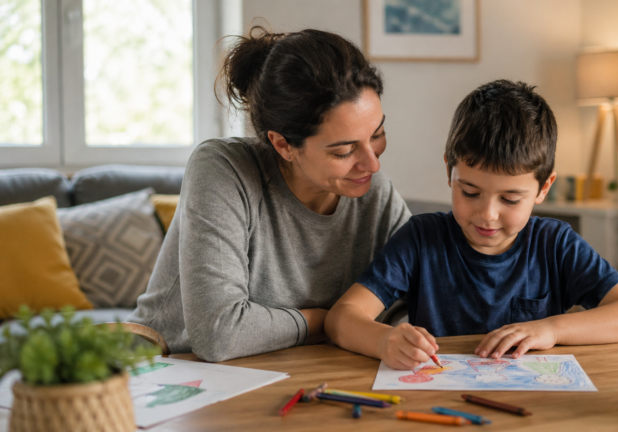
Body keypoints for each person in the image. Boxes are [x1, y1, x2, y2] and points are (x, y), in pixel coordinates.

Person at [128, 27, 410, 362]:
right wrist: (332, 322)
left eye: (377, 134)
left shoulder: (373, 193)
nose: (372, 164)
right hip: (166, 371)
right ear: (283, 145)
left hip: (287, 373)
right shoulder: (223, 170)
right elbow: (219, 333)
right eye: (344, 151)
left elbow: (417, 295)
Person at [325, 80, 618, 370]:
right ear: (449, 172)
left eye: (510, 199)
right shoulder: (422, 239)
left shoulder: (555, 244)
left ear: (543, 188)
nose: (487, 214)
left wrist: (552, 329)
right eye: (470, 192)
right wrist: (384, 340)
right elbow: (342, 317)